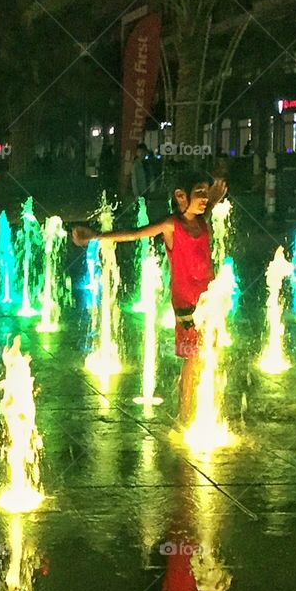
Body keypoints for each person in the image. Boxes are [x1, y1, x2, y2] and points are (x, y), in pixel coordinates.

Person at [72, 173, 227, 424]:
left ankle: (201, 409)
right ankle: (185, 415)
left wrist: (215, 200)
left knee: (207, 354)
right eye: (198, 193)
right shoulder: (171, 226)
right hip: (187, 305)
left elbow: (207, 212)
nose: (204, 199)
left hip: (209, 302)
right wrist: (95, 237)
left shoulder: (202, 222)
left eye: (205, 193)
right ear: (180, 196)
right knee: (193, 357)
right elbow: (134, 234)